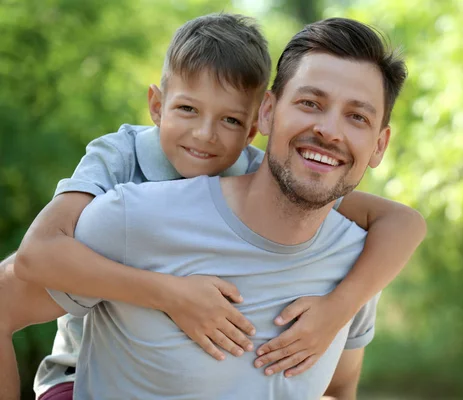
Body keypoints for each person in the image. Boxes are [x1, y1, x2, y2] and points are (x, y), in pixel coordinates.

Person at [0, 14, 425, 400]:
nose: (205, 136)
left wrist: (340, 307)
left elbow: (403, 221)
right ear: (272, 114)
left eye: (357, 117)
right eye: (310, 103)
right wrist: (170, 294)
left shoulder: (332, 231)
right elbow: (35, 259)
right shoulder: (123, 181)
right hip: (74, 370)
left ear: (252, 125)